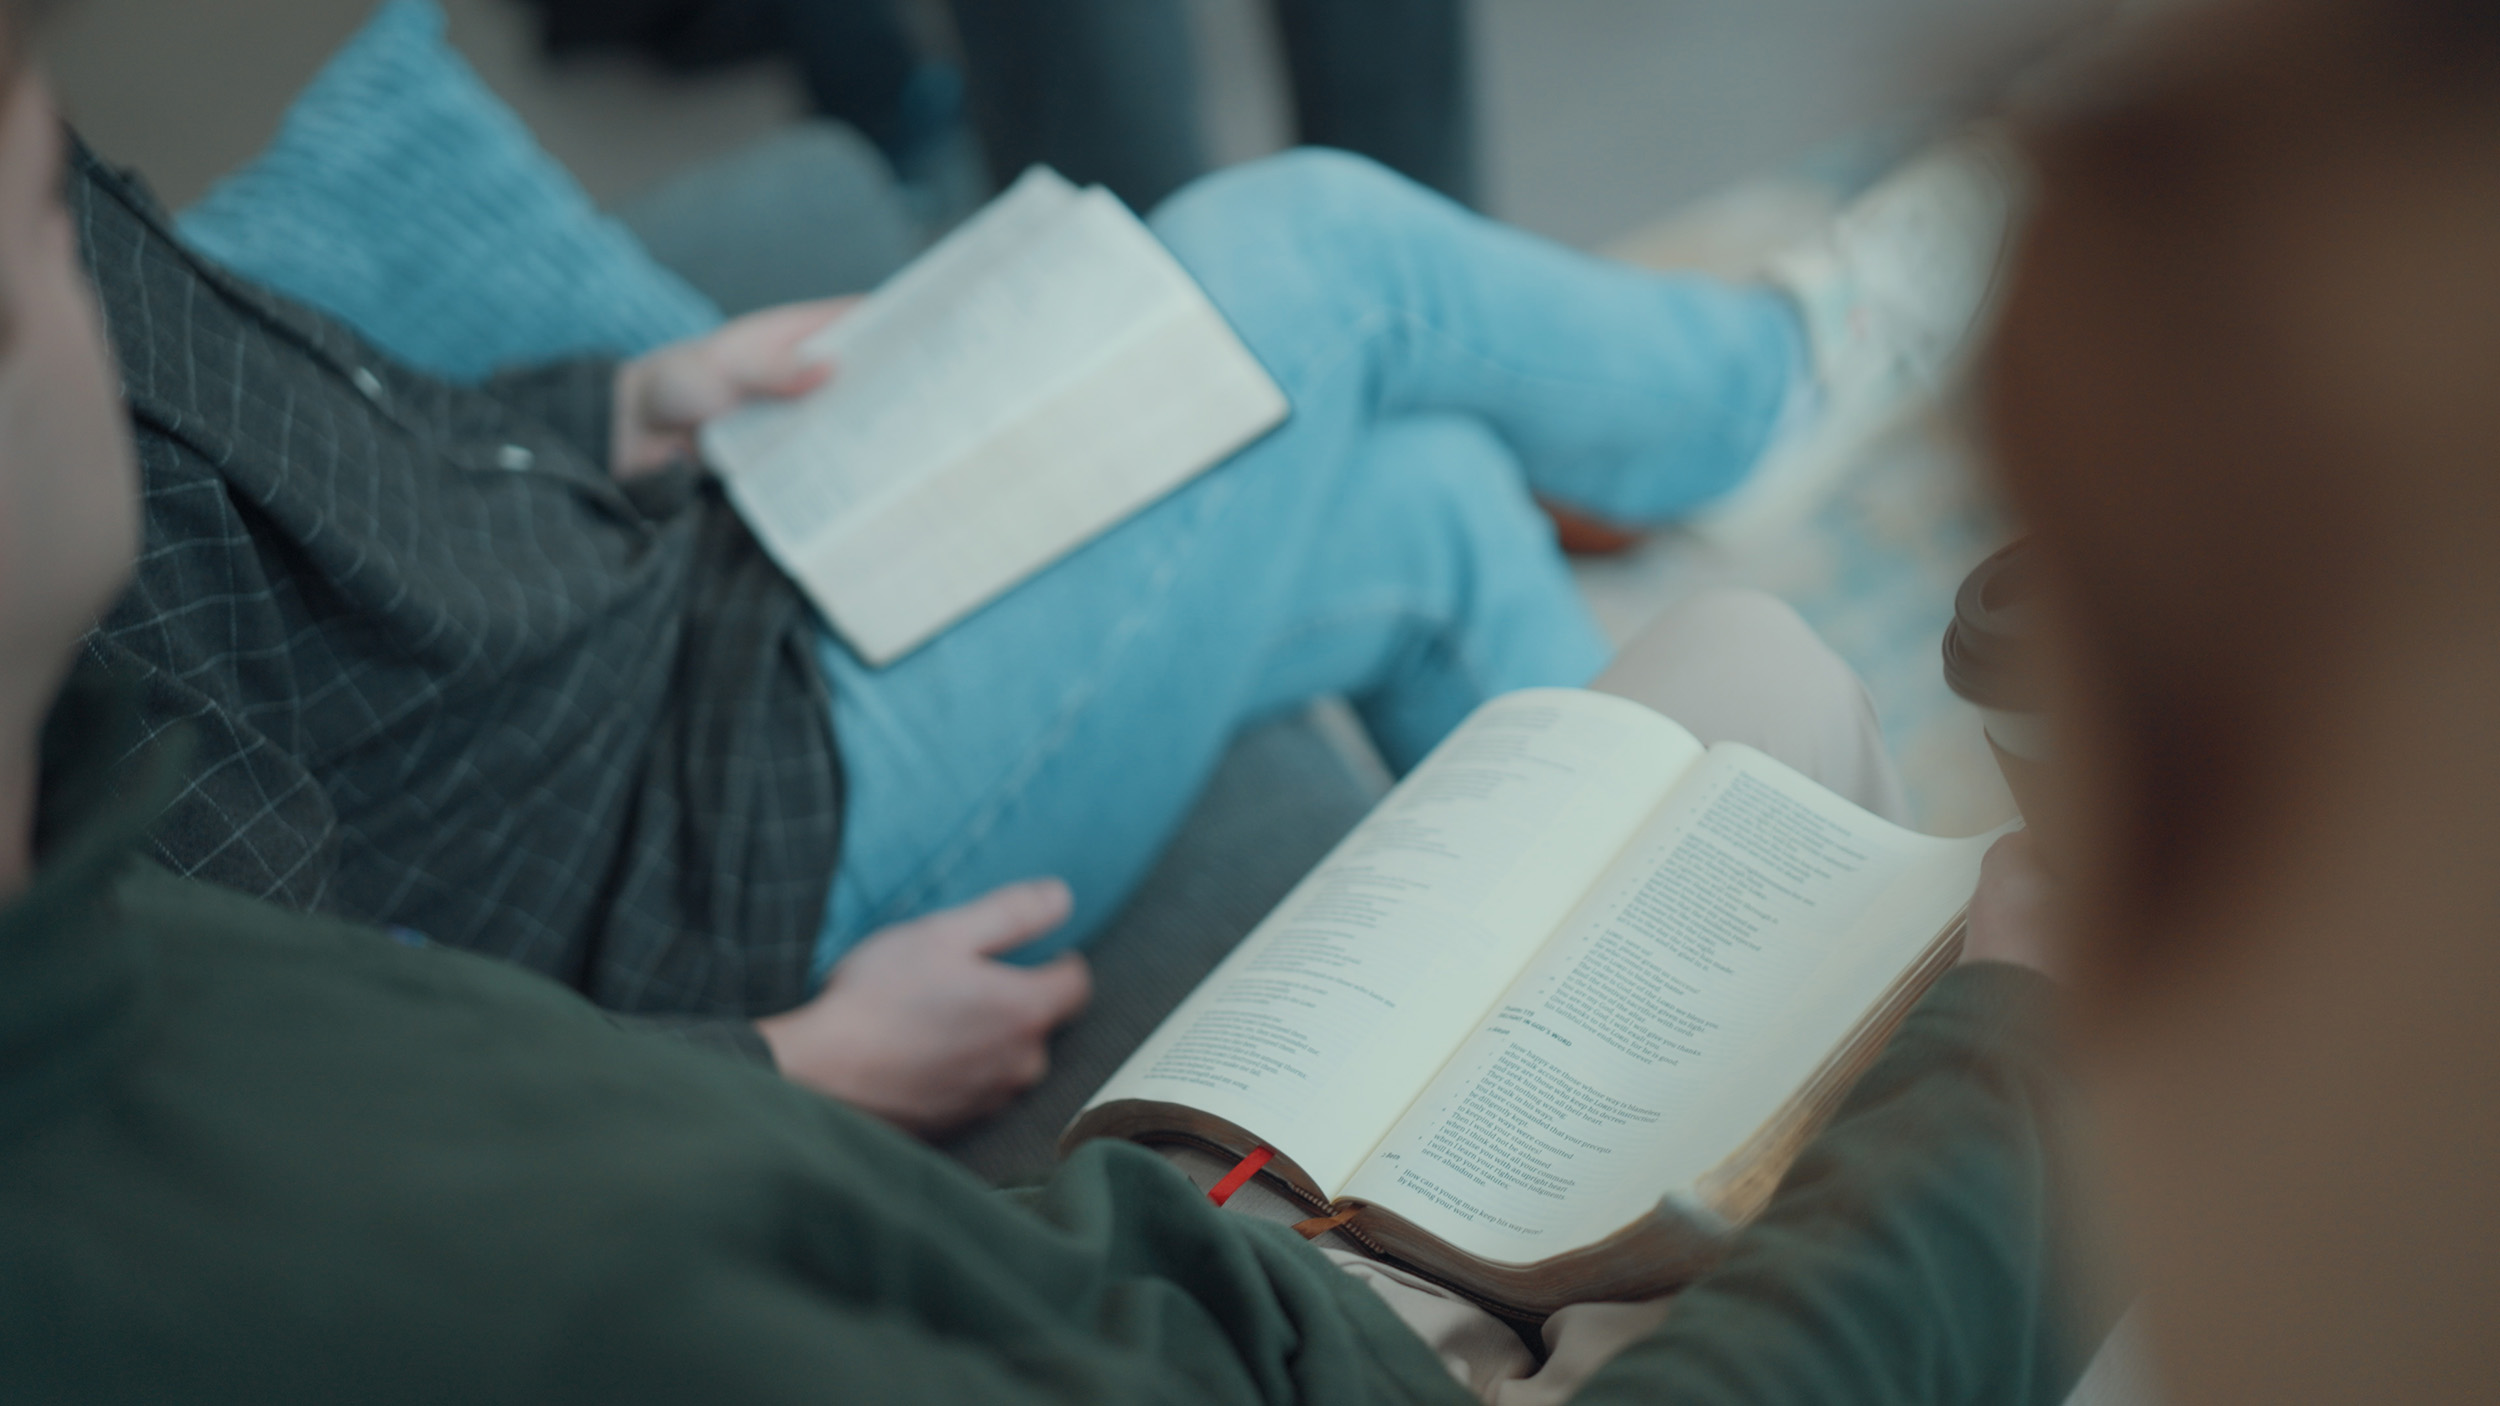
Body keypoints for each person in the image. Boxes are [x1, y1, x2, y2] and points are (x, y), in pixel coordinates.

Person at [0, 10, 2086, 1390]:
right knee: (1323, 261)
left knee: (1434, 507)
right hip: (691, 834)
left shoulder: (111, 898)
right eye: (29, 234)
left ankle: (1659, 1010)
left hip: (663, 588)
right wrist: (790, 1057)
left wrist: (615, 399)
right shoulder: (238, 1088)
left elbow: (314, 449)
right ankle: (1766, 383)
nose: (71, 277)